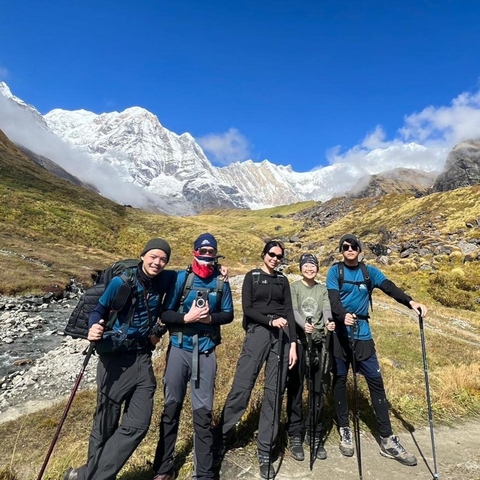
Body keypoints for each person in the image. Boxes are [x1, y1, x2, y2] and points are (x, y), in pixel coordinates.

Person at [63, 238, 175, 480]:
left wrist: (218, 270)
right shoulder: (121, 282)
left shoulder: (165, 279)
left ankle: (85, 476)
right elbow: (98, 311)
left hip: (142, 357)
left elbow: (190, 274)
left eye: (163, 259)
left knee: (138, 425)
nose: (157, 262)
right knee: (105, 425)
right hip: (113, 360)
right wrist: (93, 328)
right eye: (153, 256)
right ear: (143, 255)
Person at [326, 233, 428, 467]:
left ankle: (387, 438)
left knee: (375, 381)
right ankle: (344, 429)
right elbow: (333, 299)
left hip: (363, 335)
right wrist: (342, 316)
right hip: (341, 335)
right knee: (340, 380)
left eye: (353, 246)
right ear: (341, 250)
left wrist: (412, 302)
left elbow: (389, 287)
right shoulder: (335, 272)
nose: (349, 249)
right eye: (345, 247)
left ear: (359, 250)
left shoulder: (368, 272)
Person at [152, 233, 234, 480]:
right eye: (203, 250)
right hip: (179, 349)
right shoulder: (181, 279)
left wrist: (209, 318)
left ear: (215, 254)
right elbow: (165, 314)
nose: (207, 255)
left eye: (211, 252)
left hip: (206, 352)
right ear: (195, 251)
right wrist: (186, 318)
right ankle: (163, 469)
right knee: (171, 408)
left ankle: (204, 474)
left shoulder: (221, 282)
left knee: (203, 412)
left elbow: (228, 314)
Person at [216, 241, 297, 480]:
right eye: (271, 254)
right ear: (263, 255)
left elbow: (290, 312)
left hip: (281, 338)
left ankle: (265, 450)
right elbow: (248, 309)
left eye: (279, 256)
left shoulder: (283, 281)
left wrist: (292, 343)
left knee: (274, 392)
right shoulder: (252, 276)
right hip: (258, 333)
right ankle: (221, 436)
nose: (275, 258)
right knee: (243, 385)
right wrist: (270, 321)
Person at [286, 253, 335, 463]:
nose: (309, 269)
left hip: (319, 344)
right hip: (300, 344)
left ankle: (314, 432)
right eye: (306, 265)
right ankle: (295, 435)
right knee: (296, 388)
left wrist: (329, 322)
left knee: (317, 389)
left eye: (312, 265)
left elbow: (325, 309)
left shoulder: (322, 288)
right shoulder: (294, 287)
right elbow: (294, 309)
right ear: (300, 268)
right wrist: (302, 325)